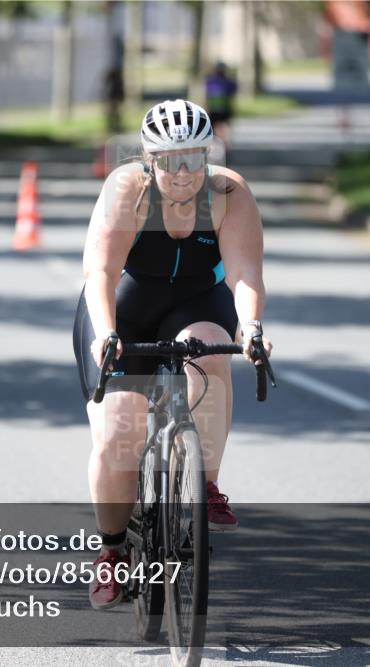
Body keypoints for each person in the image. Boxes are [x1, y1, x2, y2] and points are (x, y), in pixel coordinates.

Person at [72, 99, 272, 609]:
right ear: (148, 158)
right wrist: (106, 333)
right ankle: (113, 552)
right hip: (125, 304)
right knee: (120, 433)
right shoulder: (128, 191)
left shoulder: (228, 192)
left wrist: (250, 326)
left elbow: (245, 272)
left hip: (194, 300)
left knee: (211, 356)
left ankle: (205, 484)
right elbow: (102, 273)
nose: (183, 172)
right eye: (169, 159)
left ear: (209, 154)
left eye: (194, 158)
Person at [205, 62, 238, 160]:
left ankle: (216, 149)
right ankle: (225, 147)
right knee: (224, 129)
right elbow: (232, 97)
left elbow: (207, 96)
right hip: (225, 109)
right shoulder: (229, 81)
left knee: (214, 131)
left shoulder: (210, 81)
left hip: (214, 110)